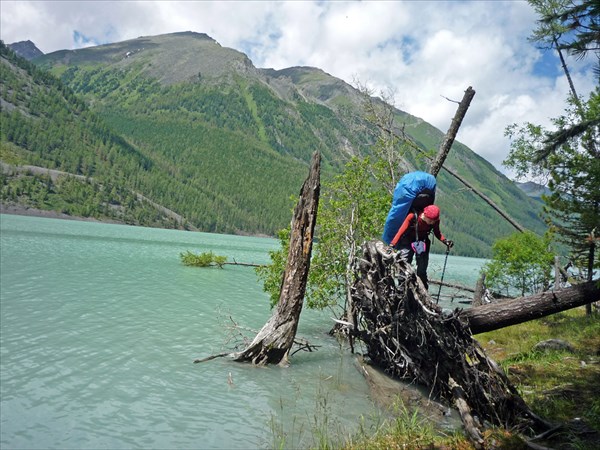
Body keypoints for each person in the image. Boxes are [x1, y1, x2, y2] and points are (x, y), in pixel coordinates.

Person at [390, 204, 453, 290]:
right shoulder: (412, 216)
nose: (432, 223)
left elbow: (437, 233)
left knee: (422, 268)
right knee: (404, 263)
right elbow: (400, 231)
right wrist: (392, 245)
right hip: (407, 241)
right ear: (424, 214)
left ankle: (423, 289)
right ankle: (401, 288)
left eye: (434, 221)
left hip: (422, 242)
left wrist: (445, 241)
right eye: (430, 221)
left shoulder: (435, 221)